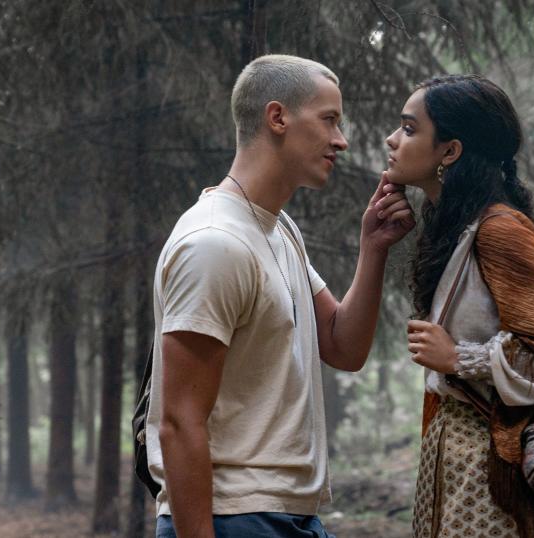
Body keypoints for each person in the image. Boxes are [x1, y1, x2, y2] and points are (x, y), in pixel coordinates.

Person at [146, 54, 415, 538]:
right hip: (233, 517)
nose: (342, 140)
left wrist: (372, 248)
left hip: (288, 517)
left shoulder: (276, 227)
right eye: (329, 120)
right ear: (277, 118)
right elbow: (179, 422)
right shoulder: (214, 243)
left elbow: (341, 345)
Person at [382, 75, 534, 537]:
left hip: (493, 473)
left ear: (450, 151)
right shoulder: (457, 227)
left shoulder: (498, 230)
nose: (392, 139)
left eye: (408, 128)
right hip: (458, 460)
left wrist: (459, 358)